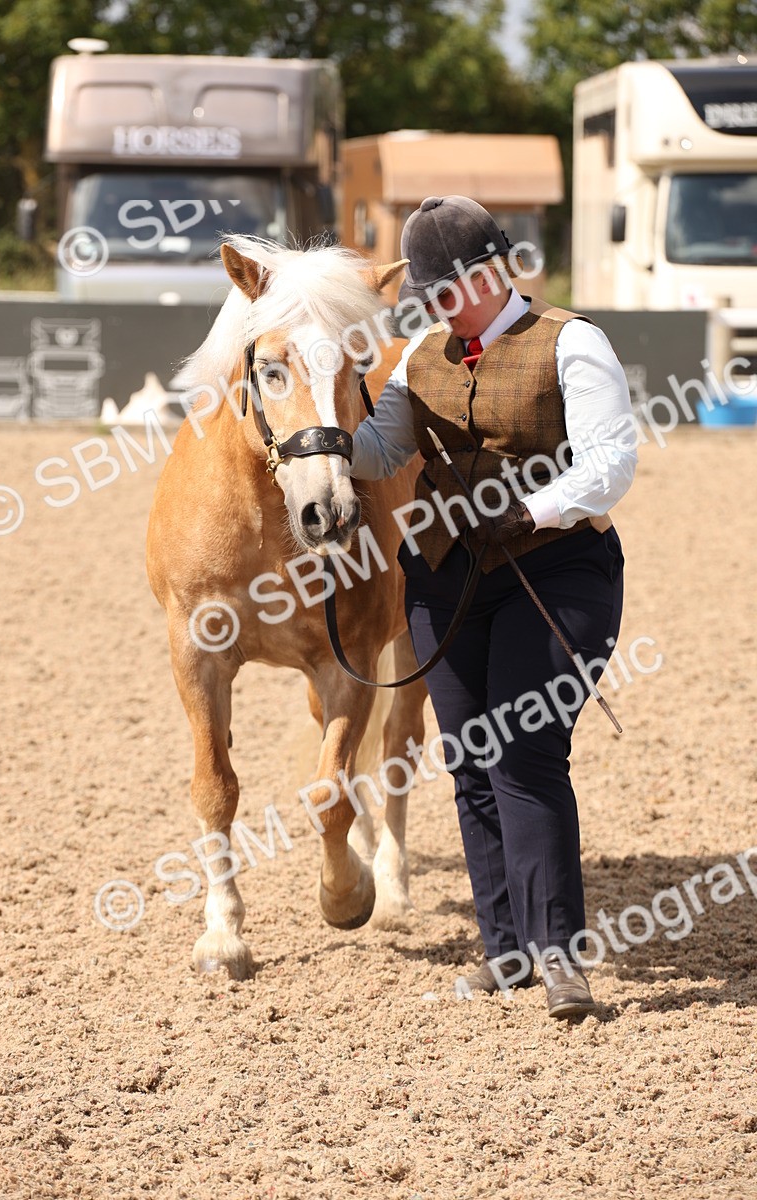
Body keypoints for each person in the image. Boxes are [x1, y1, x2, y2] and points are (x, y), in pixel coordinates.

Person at [350, 196, 637, 1019]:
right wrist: (329, 434)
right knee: (472, 758)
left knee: (523, 749)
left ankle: (559, 957)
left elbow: (611, 463)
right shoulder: (416, 361)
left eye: (444, 291)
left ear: (489, 273)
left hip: (557, 572)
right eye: (427, 297)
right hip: (447, 581)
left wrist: (530, 510)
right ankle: (506, 953)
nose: (433, 308)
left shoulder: (571, 342)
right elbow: (383, 449)